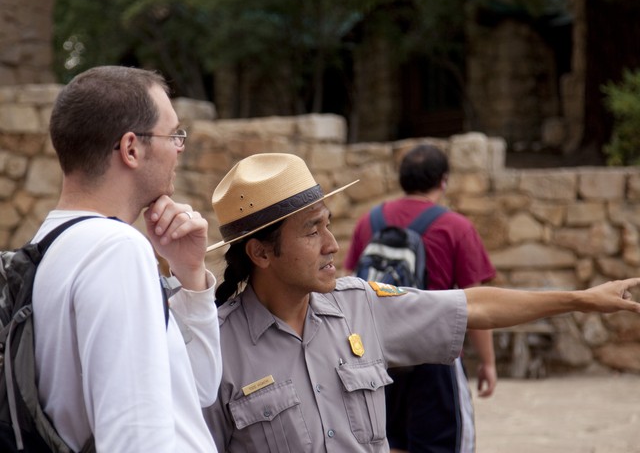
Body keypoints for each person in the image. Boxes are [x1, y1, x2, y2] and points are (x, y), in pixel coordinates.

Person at [203, 152, 640, 453]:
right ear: (261, 252)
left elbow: (474, 305)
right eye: (312, 230)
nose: (333, 245)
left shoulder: (360, 307)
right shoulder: (215, 350)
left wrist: (581, 300)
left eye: (329, 225)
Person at [32, 65, 222, 452]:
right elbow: (134, 437)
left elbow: (195, 389)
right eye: (174, 135)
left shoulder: (50, 244)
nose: (179, 148)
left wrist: (190, 274)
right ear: (131, 148)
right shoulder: (115, 249)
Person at [343, 143, 496, 453]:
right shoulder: (456, 227)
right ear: (443, 180)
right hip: (434, 355)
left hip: (379, 354)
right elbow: (475, 304)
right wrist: (488, 363)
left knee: (388, 442)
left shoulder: (368, 222)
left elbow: (347, 282)